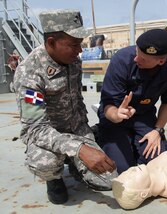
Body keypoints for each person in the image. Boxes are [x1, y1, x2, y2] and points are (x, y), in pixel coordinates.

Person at [13, 9, 117, 205]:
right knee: (46, 162)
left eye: (80, 44)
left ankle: (75, 165)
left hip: (76, 128)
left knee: (109, 178)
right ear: (51, 42)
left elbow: (77, 101)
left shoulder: (73, 61)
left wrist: (86, 137)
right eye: (74, 45)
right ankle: (54, 179)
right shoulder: (29, 74)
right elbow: (35, 129)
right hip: (48, 135)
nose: (80, 50)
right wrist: (81, 150)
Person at [97, 29, 167, 174]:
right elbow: (107, 105)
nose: (137, 59)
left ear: (161, 61)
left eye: (144, 59)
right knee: (122, 169)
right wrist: (117, 115)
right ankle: (101, 135)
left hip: (144, 116)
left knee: (158, 162)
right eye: (137, 53)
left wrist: (157, 130)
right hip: (114, 117)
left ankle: (134, 143)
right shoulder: (122, 60)